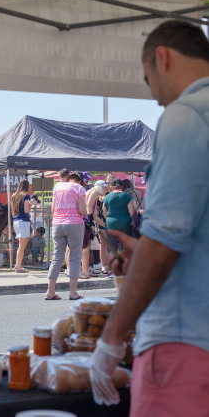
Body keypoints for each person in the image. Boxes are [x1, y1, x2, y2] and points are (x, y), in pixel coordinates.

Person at [90, 21, 209, 414]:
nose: (156, 99)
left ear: (162, 57)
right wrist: (144, 250)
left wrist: (111, 337)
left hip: (184, 343)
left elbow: (165, 244)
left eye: (148, 81)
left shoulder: (186, 117)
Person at [45, 173, 86, 301]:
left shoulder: (57, 187)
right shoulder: (79, 189)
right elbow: (82, 210)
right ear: (79, 181)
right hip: (74, 223)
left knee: (57, 257)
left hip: (57, 224)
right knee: (74, 257)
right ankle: (73, 292)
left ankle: (50, 291)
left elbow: (53, 209)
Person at [80, 180, 108, 278]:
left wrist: (105, 225)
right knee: (85, 248)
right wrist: (90, 220)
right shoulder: (94, 191)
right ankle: (84, 271)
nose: (106, 190)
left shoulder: (93, 193)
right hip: (85, 221)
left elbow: (95, 214)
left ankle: (86, 270)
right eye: (105, 188)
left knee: (86, 247)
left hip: (85, 221)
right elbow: (88, 206)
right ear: (101, 186)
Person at [102, 178, 135, 257]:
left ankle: (112, 268)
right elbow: (132, 213)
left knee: (111, 248)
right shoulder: (126, 196)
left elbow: (104, 213)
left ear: (112, 187)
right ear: (121, 186)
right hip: (125, 224)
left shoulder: (106, 197)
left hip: (111, 224)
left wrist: (110, 219)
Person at [11, 179, 37, 273]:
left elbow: (12, 211)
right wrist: (31, 204)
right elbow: (26, 210)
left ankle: (17, 265)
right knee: (22, 246)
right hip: (23, 221)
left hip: (16, 221)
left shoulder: (13, 196)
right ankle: (18, 267)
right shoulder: (26, 196)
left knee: (20, 245)